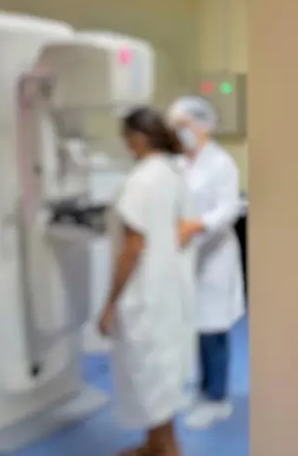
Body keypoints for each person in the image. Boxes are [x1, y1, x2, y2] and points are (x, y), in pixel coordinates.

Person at [99, 106, 192, 456]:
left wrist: (109, 303)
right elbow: (180, 227)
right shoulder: (171, 172)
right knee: (160, 374)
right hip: (167, 287)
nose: (126, 148)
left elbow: (133, 246)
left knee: (149, 374)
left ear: (138, 139)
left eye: (126, 140)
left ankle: (166, 448)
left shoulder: (141, 180)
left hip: (144, 291)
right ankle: (154, 445)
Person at [168, 96, 245, 429]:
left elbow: (228, 208)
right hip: (189, 256)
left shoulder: (221, 163)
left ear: (202, 125)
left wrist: (198, 225)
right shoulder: (180, 162)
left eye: (183, 125)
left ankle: (218, 399)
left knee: (214, 329)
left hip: (214, 257)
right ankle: (202, 389)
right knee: (197, 327)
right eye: (175, 126)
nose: (178, 132)